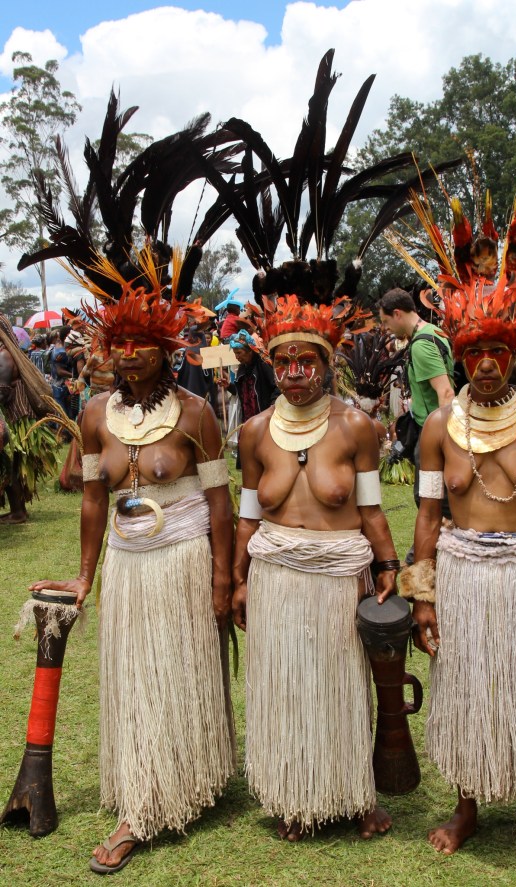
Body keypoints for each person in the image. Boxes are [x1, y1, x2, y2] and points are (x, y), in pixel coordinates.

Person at [391, 173, 516, 869]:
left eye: (496, 353)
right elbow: (426, 513)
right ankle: (468, 804)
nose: (484, 365)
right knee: (466, 687)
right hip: (463, 572)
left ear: (514, 352)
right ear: (460, 353)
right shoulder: (439, 426)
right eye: (473, 353)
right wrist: (422, 592)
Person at [29, 250, 235, 873]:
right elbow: (93, 498)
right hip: (127, 562)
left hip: (183, 559)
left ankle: (187, 782)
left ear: (166, 349)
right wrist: (86, 576)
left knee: (184, 671)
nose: (128, 354)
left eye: (142, 343)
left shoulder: (197, 413)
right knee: (139, 677)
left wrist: (224, 577)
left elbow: (220, 504)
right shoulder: (94, 416)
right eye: (118, 343)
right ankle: (144, 796)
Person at [232, 294, 399, 841]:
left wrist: (389, 566)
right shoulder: (254, 432)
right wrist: (236, 579)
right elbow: (249, 517)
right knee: (286, 686)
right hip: (276, 578)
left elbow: (371, 510)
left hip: (336, 579)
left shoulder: (356, 427)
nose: (294, 374)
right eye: (282, 363)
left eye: (306, 362)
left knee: (343, 686)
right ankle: (295, 794)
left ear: (328, 364)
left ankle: (356, 795)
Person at [378, 288, 454, 508]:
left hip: (433, 431)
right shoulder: (434, 331)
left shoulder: (422, 345)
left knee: (429, 497)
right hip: (429, 427)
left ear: (398, 314)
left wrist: (443, 441)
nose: (386, 328)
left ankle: (433, 540)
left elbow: (446, 392)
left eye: (386, 321)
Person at [0, 314, 57, 523]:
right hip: (18, 418)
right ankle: (18, 510)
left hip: (20, 418)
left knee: (12, 467)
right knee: (13, 466)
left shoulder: (3, 356)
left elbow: (3, 392)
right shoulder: (8, 354)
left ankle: (18, 512)